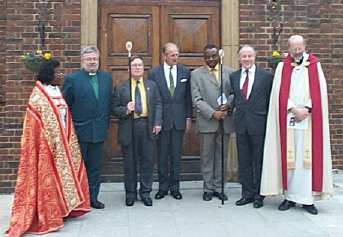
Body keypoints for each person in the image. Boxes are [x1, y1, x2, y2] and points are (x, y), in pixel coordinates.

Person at [7, 60, 90, 237]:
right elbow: (34, 128)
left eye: (61, 72)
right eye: (58, 73)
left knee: (64, 177)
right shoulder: (38, 95)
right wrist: (48, 143)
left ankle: (64, 209)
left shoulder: (56, 90)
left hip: (63, 143)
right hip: (47, 146)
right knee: (50, 180)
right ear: (48, 74)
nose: (61, 75)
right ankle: (49, 214)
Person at [260, 35, 333, 215]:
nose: (297, 50)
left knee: (306, 159)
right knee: (289, 158)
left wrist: (307, 108)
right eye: (293, 47)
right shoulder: (282, 66)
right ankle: (289, 197)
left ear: (304, 46)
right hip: (289, 118)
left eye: (299, 46)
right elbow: (277, 93)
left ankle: (307, 199)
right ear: (289, 48)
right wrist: (293, 108)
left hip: (309, 119)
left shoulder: (315, 65)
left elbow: (320, 92)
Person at [63, 46, 113, 209]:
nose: (92, 62)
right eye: (89, 59)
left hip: (99, 131)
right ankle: (78, 200)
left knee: (95, 167)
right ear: (82, 61)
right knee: (78, 167)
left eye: (95, 59)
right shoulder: (73, 79)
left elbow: (109, 103)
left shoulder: (106, 78)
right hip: (79, 131)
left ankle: (93, 198)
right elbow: (66, 105)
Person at [112, 55, 162, 206]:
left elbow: (158, 104)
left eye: (140, 65)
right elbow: (114, 108)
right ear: (129, 69)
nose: (137, 68)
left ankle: (145, 192)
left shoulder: (151, 85)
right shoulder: (121, 87)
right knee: (130, 163)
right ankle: (130, 193)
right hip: (129, 127)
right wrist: (126, 110)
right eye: (134, 65)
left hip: (147, 126)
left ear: (143, 68)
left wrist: (158, 122)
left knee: (147, 161)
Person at [229, 45, 273, 208]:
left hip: (259, 124)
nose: (246, 59)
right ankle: (246, 193)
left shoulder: (266, 77)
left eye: (249, 56)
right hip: (241, 125)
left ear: (255, 57)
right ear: (239, 58)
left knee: (258, 160)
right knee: (244, 161)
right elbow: (234, 98)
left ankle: (259, 195)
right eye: (243, 56)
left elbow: (270, 102)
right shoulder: (234, 77)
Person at [148, 42, 192, 200]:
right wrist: (154, 121)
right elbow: (152, 99)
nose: (175, 57)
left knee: (176, 155)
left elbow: (188, 98)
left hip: (179, 120)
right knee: (162, 155)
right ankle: (162, 187)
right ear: (164, 56)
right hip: (162, 121)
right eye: (172, 54)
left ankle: (175, 187)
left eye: (177, 54)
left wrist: (188, 117)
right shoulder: (154, 73)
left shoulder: (185, 72)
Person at [191, 44, 234, 201]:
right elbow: (196, 99)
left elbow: (234, 94)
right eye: (207, 57)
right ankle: (208, 188)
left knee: (222, 156)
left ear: (218, 55)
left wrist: (228, 104)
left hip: (225, 120)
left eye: (213, 56)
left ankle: (219, 187)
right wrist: (212, 113)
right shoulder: (196, 74)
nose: (210, 59)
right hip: (207, 121)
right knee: (207, 156)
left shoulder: (229, 72)